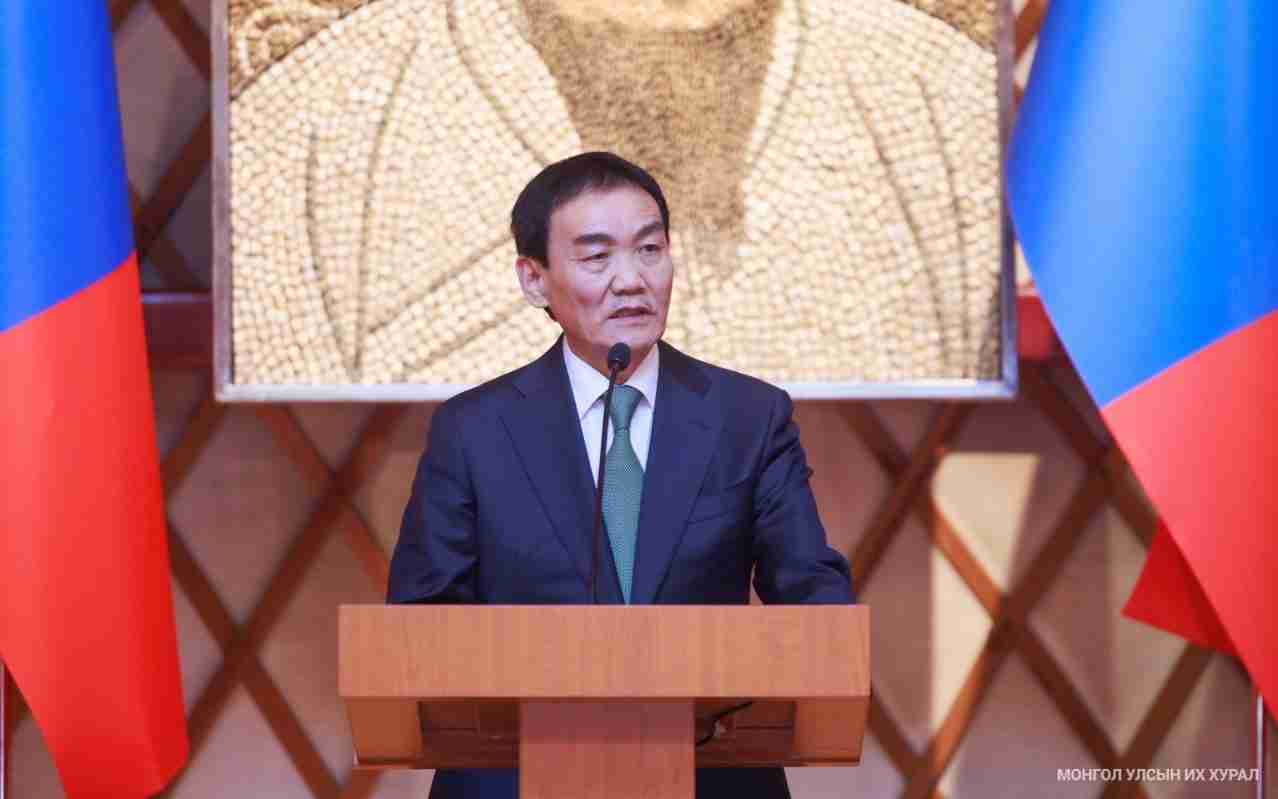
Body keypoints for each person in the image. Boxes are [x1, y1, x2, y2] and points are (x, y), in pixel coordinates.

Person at [387, 152, 853, 799]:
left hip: (714, 777)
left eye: (650, 249)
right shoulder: (473, 430)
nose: (631, 280)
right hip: (513, 781)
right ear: (533, 279)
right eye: (597, 256)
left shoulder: (749, 417)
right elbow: (421, 624)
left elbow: (814, 599)